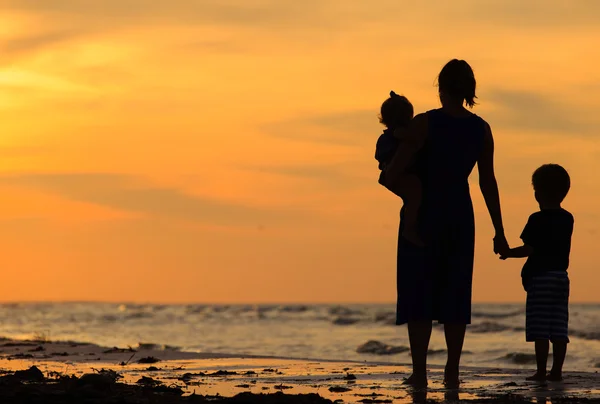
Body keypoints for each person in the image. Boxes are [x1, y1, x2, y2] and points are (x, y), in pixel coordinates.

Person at [384, 59, 509, 388]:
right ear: (470, 91)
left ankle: (421, 372)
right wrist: (499, 230)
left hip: (425, 212)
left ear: (440, 88)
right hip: (459, 214)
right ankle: (452, 370)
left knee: (419, 292)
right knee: (455, 293)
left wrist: (403, 188)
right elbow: (487, 182)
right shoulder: (481, 129)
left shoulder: (424, 123)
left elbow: (393, 171)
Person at [500, 164, 573, 382]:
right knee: (559, 327)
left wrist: (508, 253)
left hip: (540, 279)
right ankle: (557, 371)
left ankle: (541, 371)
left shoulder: (536, 219)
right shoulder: (567, 218)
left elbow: (529, 249)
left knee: (540, 328)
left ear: (536, 193)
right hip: (561, 278)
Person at [375, 91, 422, 245]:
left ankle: (409, 225)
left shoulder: (389, 136)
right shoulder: (398, 134)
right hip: (398, 174)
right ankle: (409, 229)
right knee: (415, 195)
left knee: (412, 197)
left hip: (396, 172)